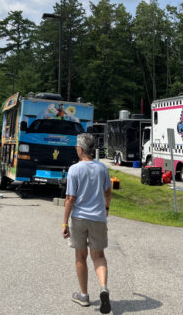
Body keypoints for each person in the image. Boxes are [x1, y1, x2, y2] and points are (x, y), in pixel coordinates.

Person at [62, 133, 112, 314]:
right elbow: (108, 191)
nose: (76, 148)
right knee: (98, 255)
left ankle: (83, 295)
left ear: (81, 149)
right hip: (98, 217)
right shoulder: (102, 168)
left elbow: (70, 198)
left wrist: (64, 223)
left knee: (80, 257)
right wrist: (106, 209)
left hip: (79, 218)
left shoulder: (74, 169)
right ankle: (103, 287)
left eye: (76, 146)